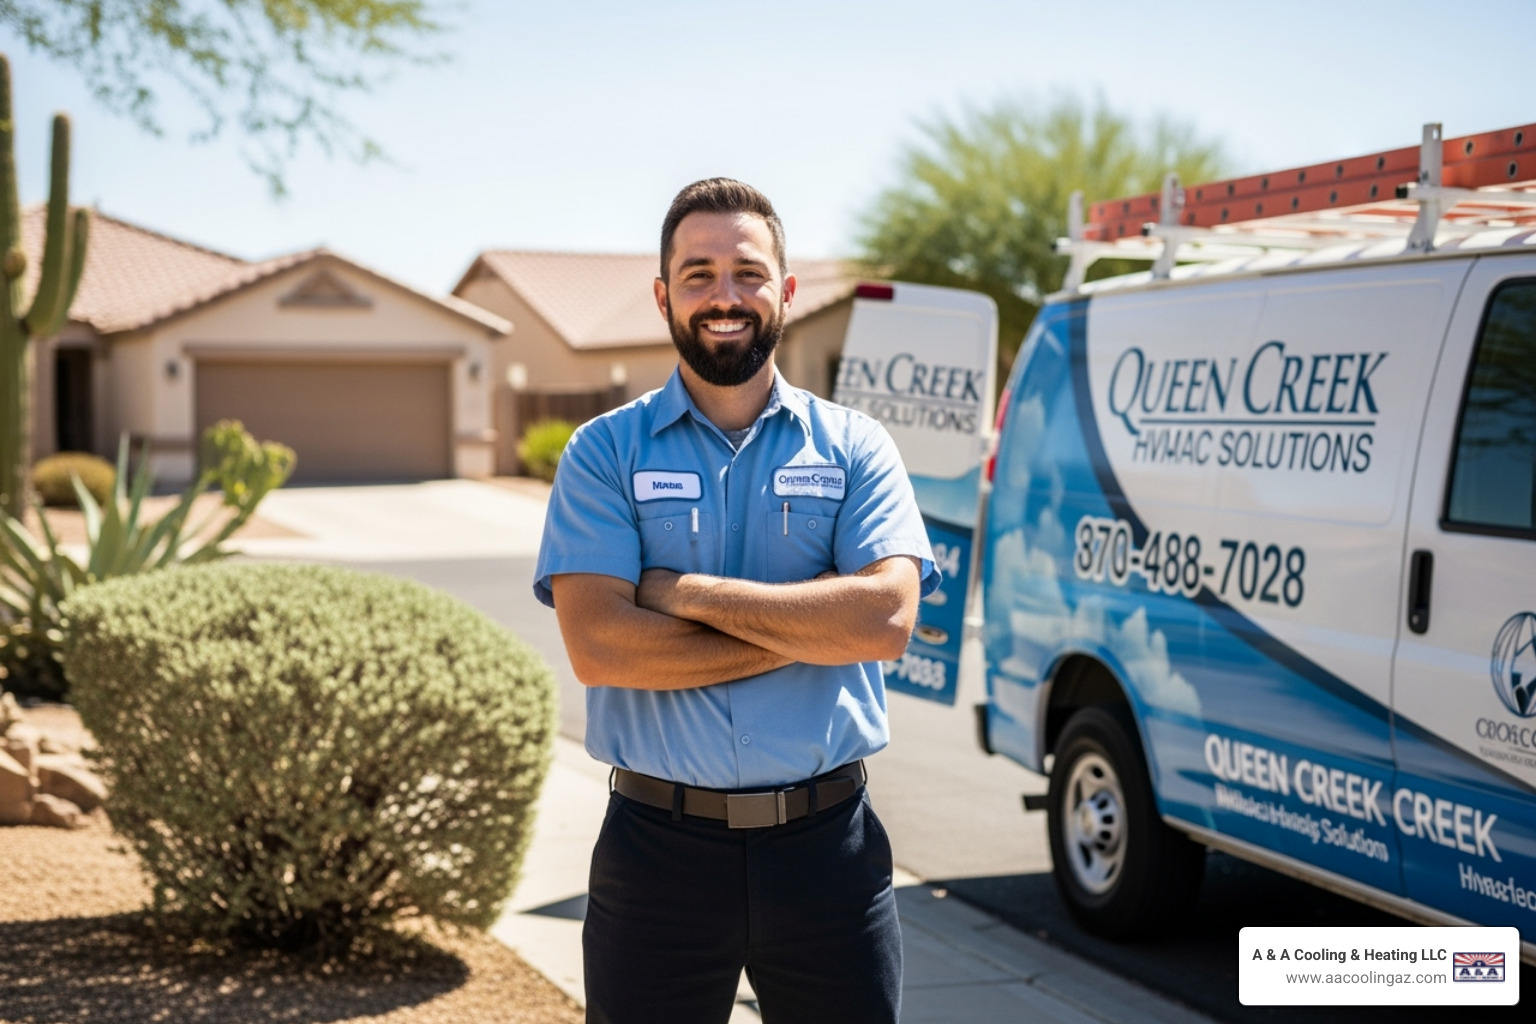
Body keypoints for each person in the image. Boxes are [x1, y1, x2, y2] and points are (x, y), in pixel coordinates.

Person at [533, 177, 938, 1024]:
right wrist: (816, 626)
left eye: (748, 273)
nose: (726, 296)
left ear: (785, 291)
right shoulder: (603, 453)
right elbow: (601, 646)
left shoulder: (856, 447)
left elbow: (885, 620)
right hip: (657, 857)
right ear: (663, 296)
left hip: (829, 853)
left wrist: (683, 593)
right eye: (699, 274)